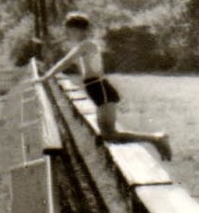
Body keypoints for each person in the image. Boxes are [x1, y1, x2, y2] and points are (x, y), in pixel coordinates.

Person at [36, 11, 172, 160]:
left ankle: (157, 139)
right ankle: (156, 139)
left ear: (77, 30)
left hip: (101, 89)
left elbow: (65, 62)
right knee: (108, 135)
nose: (67, 34)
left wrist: (46, 77)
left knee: (110, 134)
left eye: (68, 30)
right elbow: (68, 60)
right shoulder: (82, 46)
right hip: (97, 90)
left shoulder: (87, 45)